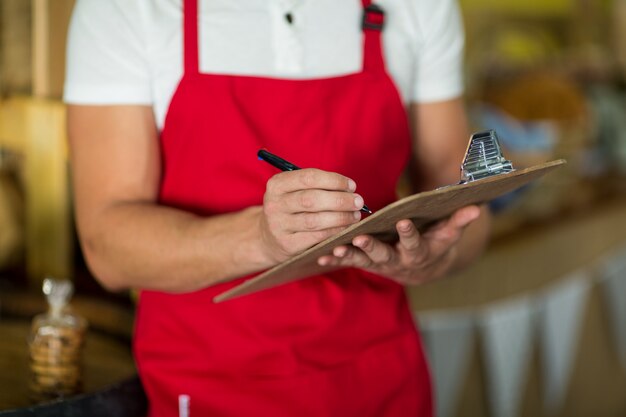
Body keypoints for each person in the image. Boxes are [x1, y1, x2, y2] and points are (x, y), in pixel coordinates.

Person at [64, 0, 490, 416]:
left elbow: (467, 204)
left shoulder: (421, 6)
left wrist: (441, 253)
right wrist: (260, 239)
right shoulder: (123, 9)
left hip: (381, 378)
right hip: (208, 383)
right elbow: (108, 244)